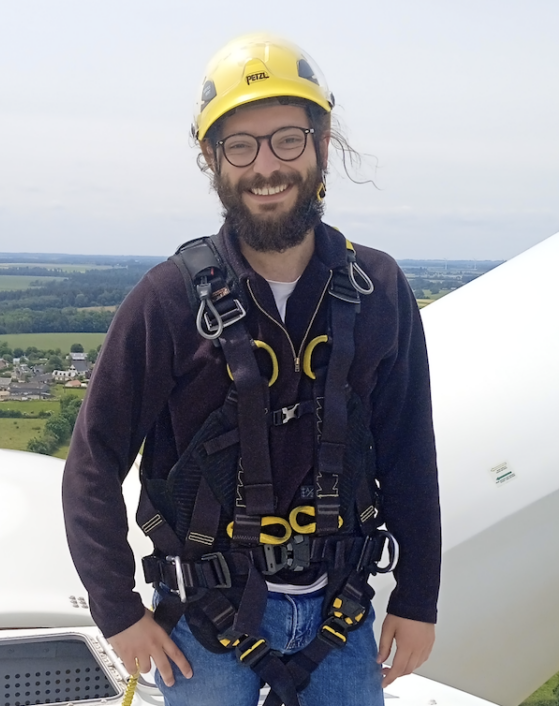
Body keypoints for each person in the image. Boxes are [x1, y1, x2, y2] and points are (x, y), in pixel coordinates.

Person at [63, 34, 440, 706]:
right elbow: (93, 461)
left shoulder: (377, 290)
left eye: (288, 140)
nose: (266, 166)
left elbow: (410, 452)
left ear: (322, 145)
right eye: (240, 146)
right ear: (212, 158)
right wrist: (116, 610)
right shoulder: (169, 301)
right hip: (204, 625)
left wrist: (418, 598)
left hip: (341, 611)